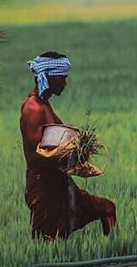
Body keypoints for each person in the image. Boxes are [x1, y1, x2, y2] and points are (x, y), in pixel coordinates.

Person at [20, 52, 116, 240]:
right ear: (48, 76)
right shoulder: (34, 109)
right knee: (46, 242)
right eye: (62, 77)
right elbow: (35, 156)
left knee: (107, 208)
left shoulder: (43, 105)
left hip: (58, 182)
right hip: (44, 186)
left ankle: (114, 248)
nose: (65, 83)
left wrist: (77, 155)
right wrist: (70, 156)